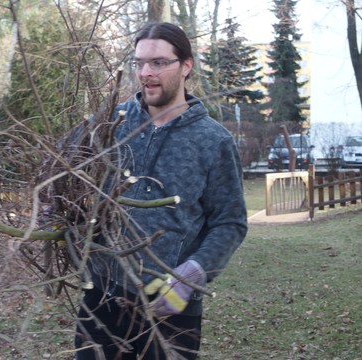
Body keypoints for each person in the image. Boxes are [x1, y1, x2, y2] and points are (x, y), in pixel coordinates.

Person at [73, 22, 248, 360]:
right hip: (102, 297)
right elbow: (62, 172)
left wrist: (193, 274)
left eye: (158, 63)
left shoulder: (213, 141)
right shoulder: (109, 123)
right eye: (139, 63)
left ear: (185, 66)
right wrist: (54, 207)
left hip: (171, 306)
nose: (145, 73)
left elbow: (230, 223)